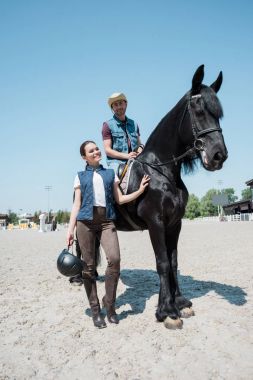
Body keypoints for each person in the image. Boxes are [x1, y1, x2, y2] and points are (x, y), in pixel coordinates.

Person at [67, 140, 150, 329]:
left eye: (97, 148)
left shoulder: (110, 174)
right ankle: (96, 311)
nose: (96, 151)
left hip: (106, 222)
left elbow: (119, 199)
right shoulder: (79, 176)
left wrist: (140, 190)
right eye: (91, 150)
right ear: (84, 157)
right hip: (84, 224)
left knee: (115, 259)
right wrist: (70, 230)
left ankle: (110, 306)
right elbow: (76, 205)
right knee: (88, 268)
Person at [102, 92, 144, 173]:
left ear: (126, 104)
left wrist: (139, 151)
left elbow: (139, 144)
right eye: (115, 105)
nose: (119, 107)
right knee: (115, 178)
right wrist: (127, 156)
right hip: (116, 163)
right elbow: (107, 150)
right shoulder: (107, 125)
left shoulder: (134, 124)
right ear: (112, 108)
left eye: (121, 103)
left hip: (135, 160)